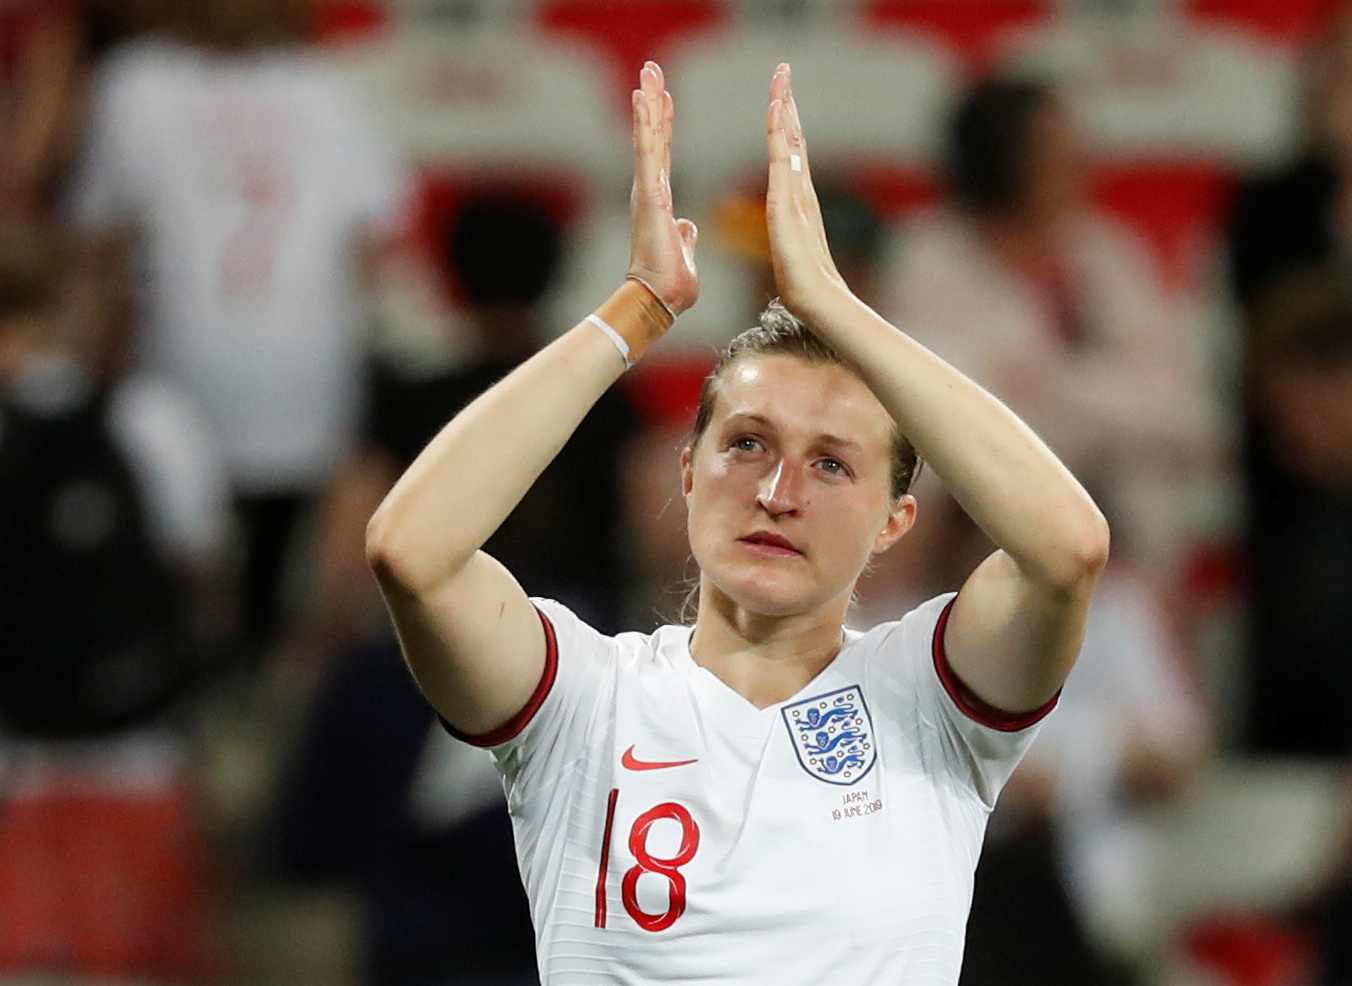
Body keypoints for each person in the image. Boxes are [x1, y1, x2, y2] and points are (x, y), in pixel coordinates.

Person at [366, 61, 1109, 984]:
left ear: (895, 521)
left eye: (833, 463)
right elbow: (412, 553)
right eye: (748, 444)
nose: (779, 491)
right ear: (686, 472)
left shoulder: (931, 698)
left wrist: (834, 304)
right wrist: (637, 313)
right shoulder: (584, 699)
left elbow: (1066, 551)